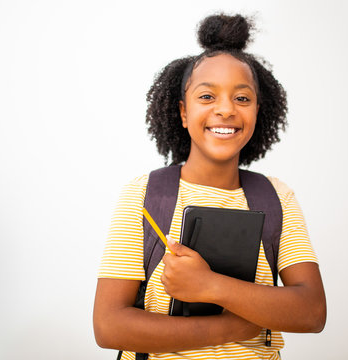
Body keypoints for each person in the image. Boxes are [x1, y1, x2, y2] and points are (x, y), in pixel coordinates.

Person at [93, 13, 326, 360]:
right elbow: (109, 326)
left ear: (258, 113)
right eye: (206, 97)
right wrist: (234, 326)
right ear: (183, 113)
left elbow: (312, 311)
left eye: (242, 99)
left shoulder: (278, 198)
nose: (226, 110)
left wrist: (211, 286)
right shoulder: (144, 195)